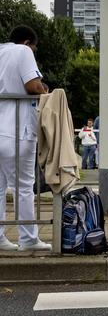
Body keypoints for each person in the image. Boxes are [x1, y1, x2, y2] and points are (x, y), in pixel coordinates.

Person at [0, 25, 51, 251]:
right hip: (17, 131)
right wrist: (44, 88)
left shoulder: (1, 51)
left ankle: (0, 237)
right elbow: (32, 85)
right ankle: (28, 238)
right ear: (28, 42)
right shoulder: (24, 52)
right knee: (23, 186)